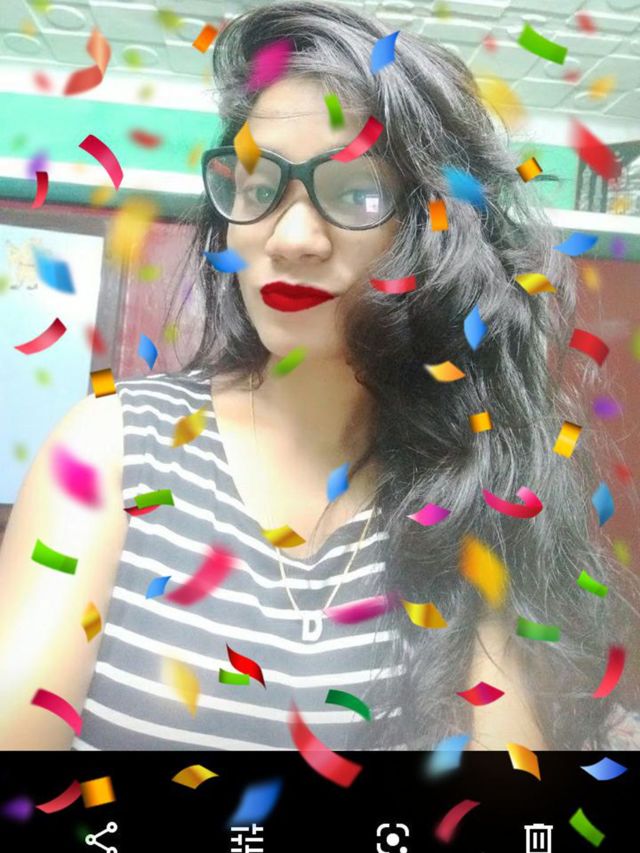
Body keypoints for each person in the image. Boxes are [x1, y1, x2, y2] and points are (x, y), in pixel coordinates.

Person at [1, 0, 639, 752]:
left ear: (433, 231)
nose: (292, 238)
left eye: (356, 192)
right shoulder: (110, 446)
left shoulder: (476, 477)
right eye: (256, 185)